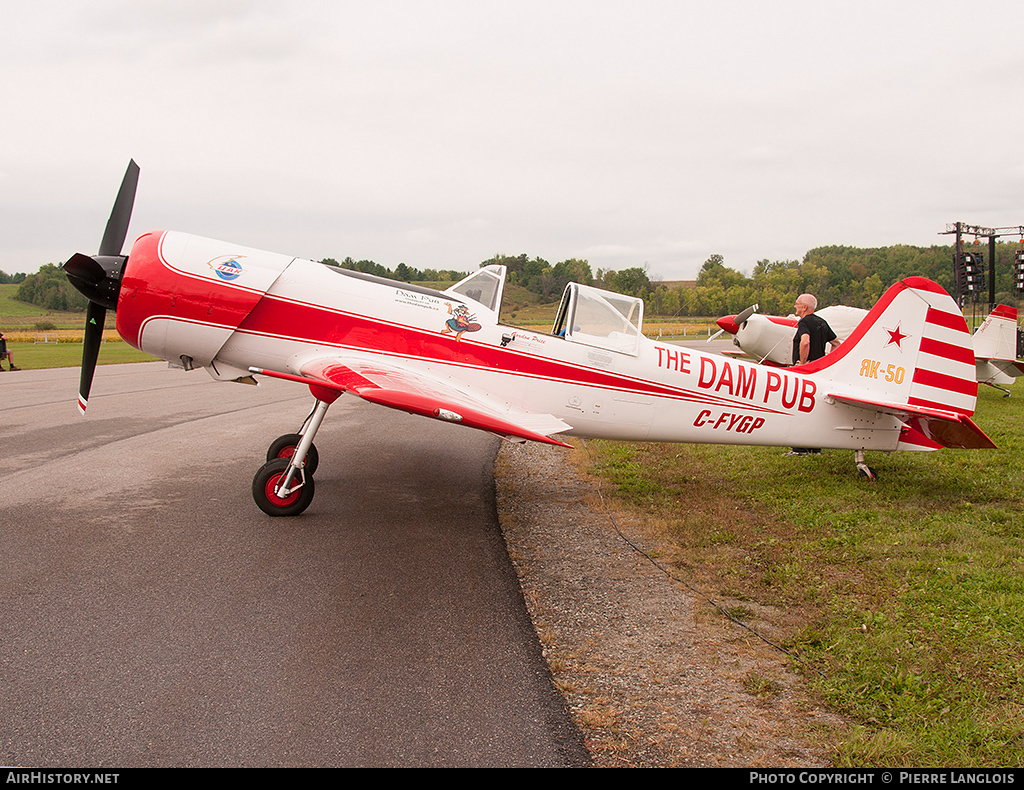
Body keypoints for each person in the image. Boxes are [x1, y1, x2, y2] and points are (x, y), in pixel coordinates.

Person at [786, 294, 838, 456]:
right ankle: (815, 448)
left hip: (806, 372)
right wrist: (827, 363)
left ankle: (800, 449)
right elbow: (836, 343)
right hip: (819, 372)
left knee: (800, 408)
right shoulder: (821, 322)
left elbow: (805, 341)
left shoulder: (804, 322)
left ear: (805, 307)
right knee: (814, 409)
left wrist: (802, 362)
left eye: (797, 304)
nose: (795, 306)